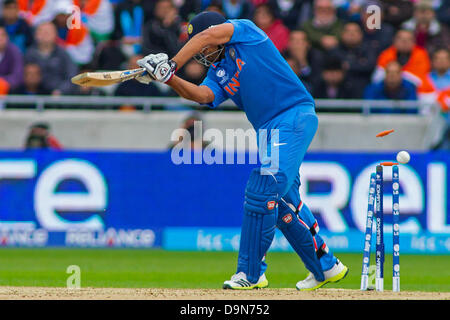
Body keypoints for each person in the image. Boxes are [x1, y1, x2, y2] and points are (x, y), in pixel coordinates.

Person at [136, 11, 348, 290]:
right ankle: (325, 265)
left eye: (202, 47)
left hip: (293, 115)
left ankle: (251, 274)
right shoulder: (218, 70)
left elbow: (207, 36)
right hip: (269, 131)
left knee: (263, 187)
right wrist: (167, 78)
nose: (201, 53)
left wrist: (172, 63)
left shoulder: (246, 32)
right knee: (282, 201)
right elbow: (203, 96)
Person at [25, 22, 79, 95]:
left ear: (55, 34)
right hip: (35, 95)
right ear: (36, 35)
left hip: (58, 97)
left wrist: (61, 90)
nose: (45, 35)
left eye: (48, 32)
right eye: (42, 32)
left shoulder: (63, 55)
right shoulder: (29, 54)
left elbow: (72, 77)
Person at [0, 25, 23, 94]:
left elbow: (17, 75)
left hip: (10, 90)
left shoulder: (14, 51)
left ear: (8, 38)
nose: (0, 38)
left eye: (2, 35)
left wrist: (2, 83)